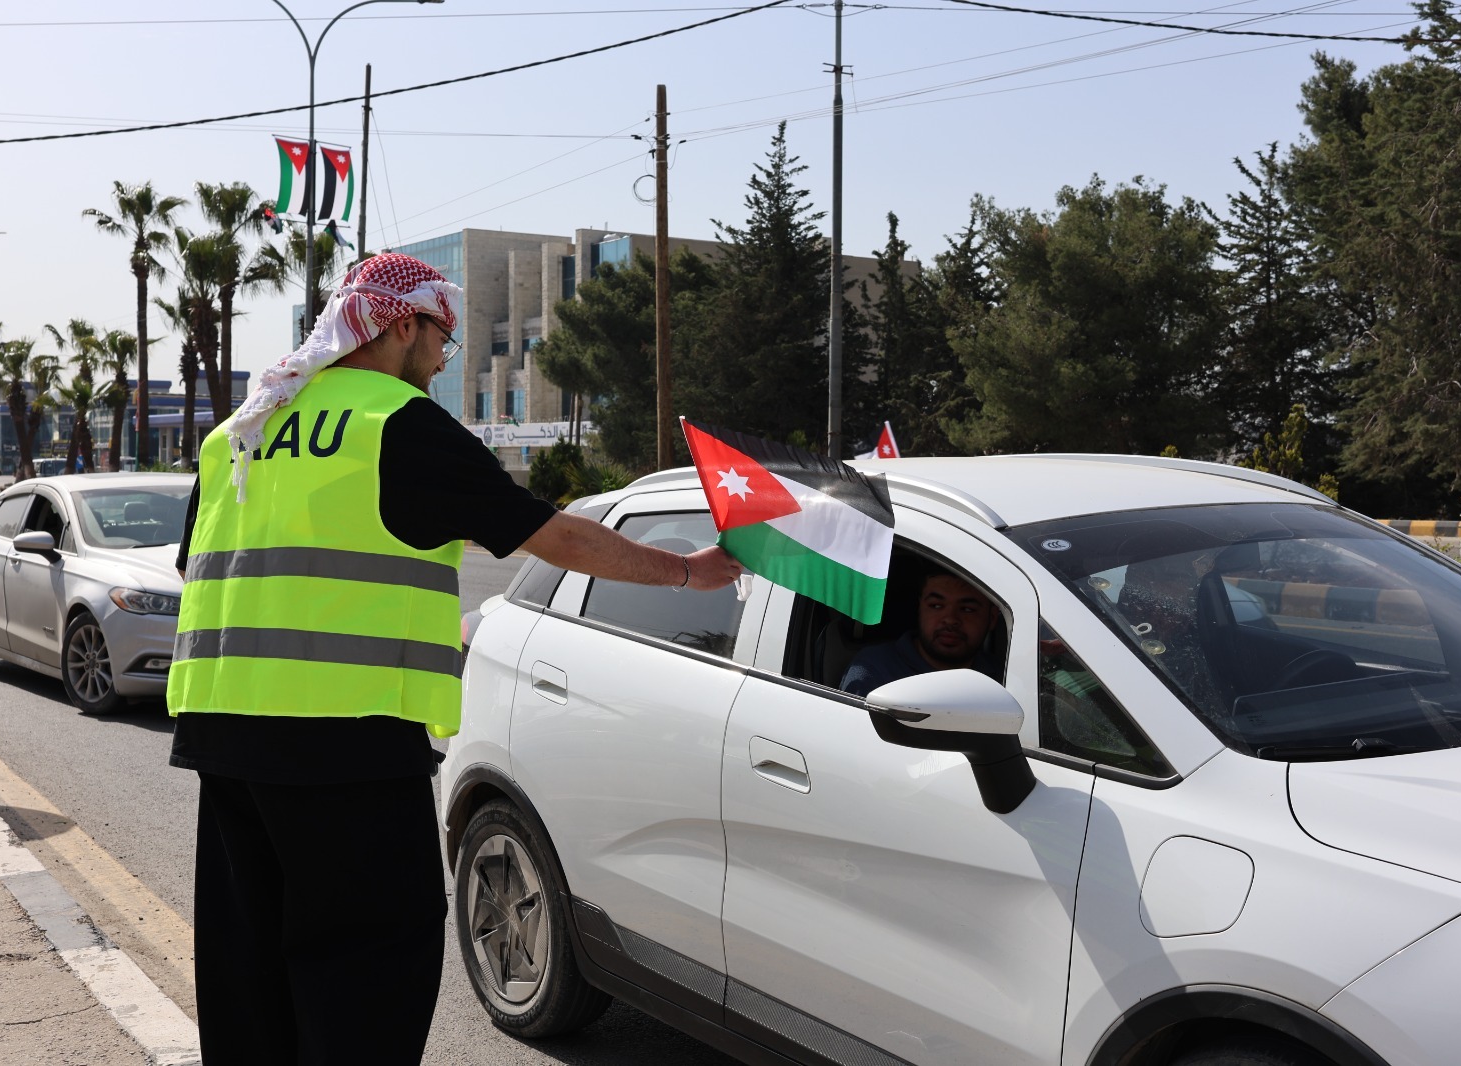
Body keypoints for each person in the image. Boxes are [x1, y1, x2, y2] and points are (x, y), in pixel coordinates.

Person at [166, 252, 743, 1066]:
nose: (445, 358)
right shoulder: (395, 423)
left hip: (224, 740)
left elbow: (199, 569)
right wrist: (687, 572)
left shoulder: (242, 428)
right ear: (403, 324)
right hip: (348, 744)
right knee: (368, 970)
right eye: (444, 337)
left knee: (249, 966)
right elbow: (554, 536)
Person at [840, 569, 999, 697]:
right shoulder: (874, 670)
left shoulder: (1003, 678)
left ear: (992, 618)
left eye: (967, 609)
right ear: (920, 608)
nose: (950, 619)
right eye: (936, 606)